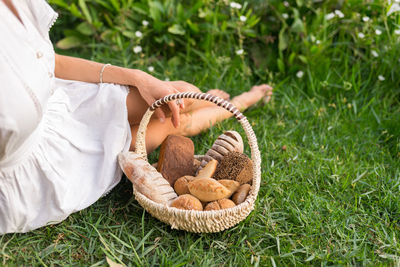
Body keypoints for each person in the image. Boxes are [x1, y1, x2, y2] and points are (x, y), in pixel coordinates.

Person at [0, 0, 273, 234]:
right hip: (44, 160)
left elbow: (50, 61)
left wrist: (139, 78)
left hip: (58, 102)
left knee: (183, 95)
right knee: (168, 124)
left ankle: (213, 101)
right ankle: (239, 102)